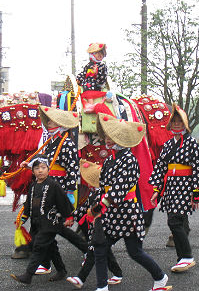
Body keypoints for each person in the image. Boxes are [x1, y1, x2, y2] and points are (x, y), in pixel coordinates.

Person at [90, 113, 171, 291]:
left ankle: (160, 276)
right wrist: (97, 202)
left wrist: (101, 205)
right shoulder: (110, 159)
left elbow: (120, 188)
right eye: (106, 136)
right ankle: (102, 286)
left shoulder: (129, 159)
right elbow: (102, 185)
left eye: (111, 137)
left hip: (127, 212)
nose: (107, 140)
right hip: (111, 211)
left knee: (135, 252)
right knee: (101, 248)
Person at [15, 106, 87, 279]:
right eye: (47, 120)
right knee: (50, 229)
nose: (48, 123)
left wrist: (70, 192)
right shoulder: (52, 142)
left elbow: (72, 170)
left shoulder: (67, 143)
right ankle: (53, 265)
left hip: (58, 189)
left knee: (52, 229)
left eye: (51, 121)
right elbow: (44, 161)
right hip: (48, 186)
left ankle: (87, 251)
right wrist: (30, 163)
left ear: (60, 124)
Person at [149, 104, 199, 273]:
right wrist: (156, 190)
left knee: (174, 221)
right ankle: (182, 258)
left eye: (179, 121)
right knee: (176, 221)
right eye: (173, 121)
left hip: (185, 186)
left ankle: (187, 256)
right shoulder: (167, 144)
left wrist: (195, 191)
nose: (175, 124)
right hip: (171, 186)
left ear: (185, 124)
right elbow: (160, 167)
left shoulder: (191, 143)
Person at [10, 154, 75, 285]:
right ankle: (61, 270)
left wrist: (68, 216)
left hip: (49, 223)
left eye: (43, 167)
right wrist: (23, 218)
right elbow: (28, 204)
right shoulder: (33, 186)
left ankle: (28, 275)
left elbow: (62, 201)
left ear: (48, 169)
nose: (40, 171)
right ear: (33, 171)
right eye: (37, 168)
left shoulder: (53, 185)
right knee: (51, 247)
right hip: (37, 223)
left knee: (39, 247)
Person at [66, 161, 123, 289]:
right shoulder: (94, 193)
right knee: (103, 250)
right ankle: (117, 273)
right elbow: (83, 209)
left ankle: (81, 278)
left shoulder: (105, 194)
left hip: (104, 226)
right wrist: (72, 217)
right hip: (96, 226)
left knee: (94, 249)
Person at [76, 43, 109, 114]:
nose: (100, 55)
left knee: (89, 89)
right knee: (86, 87)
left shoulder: (102, 66)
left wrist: (96, 73)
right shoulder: (88, 65)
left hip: (96, 85)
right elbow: (83, 73)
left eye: (102, 53)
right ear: (92, 54)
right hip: (87, 84)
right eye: (97, 53)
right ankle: (88, 105)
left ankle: (90, 106)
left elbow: (103, 78)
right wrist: (78, 79)